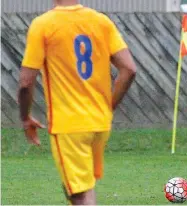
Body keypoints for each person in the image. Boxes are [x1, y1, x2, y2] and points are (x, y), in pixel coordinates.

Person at [18, 0, 137, 204]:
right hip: (99, 123)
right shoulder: (101, 21)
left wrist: (25, 117)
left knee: (79, 195)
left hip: (69, 124)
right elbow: (129, 69)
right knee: (80, 186)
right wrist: (107, 108)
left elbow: (26, 83)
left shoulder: (44, 24)